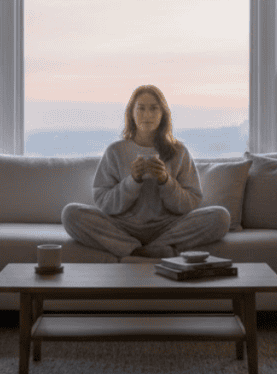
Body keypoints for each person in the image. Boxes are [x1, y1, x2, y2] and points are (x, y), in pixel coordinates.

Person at [62, 85, 230, 258]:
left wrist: (166, 181)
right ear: (131, 113)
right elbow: (104, 203)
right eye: (141, 108)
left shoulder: (179, 152)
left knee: (220, 217)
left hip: (167, 227)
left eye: (154, 108)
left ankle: (148, 249)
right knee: (71, 214)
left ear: (163, 113)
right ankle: (138, 250)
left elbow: (190, 203)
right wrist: (132, 181)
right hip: (124, 226)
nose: (147, 114)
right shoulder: (115, 151)